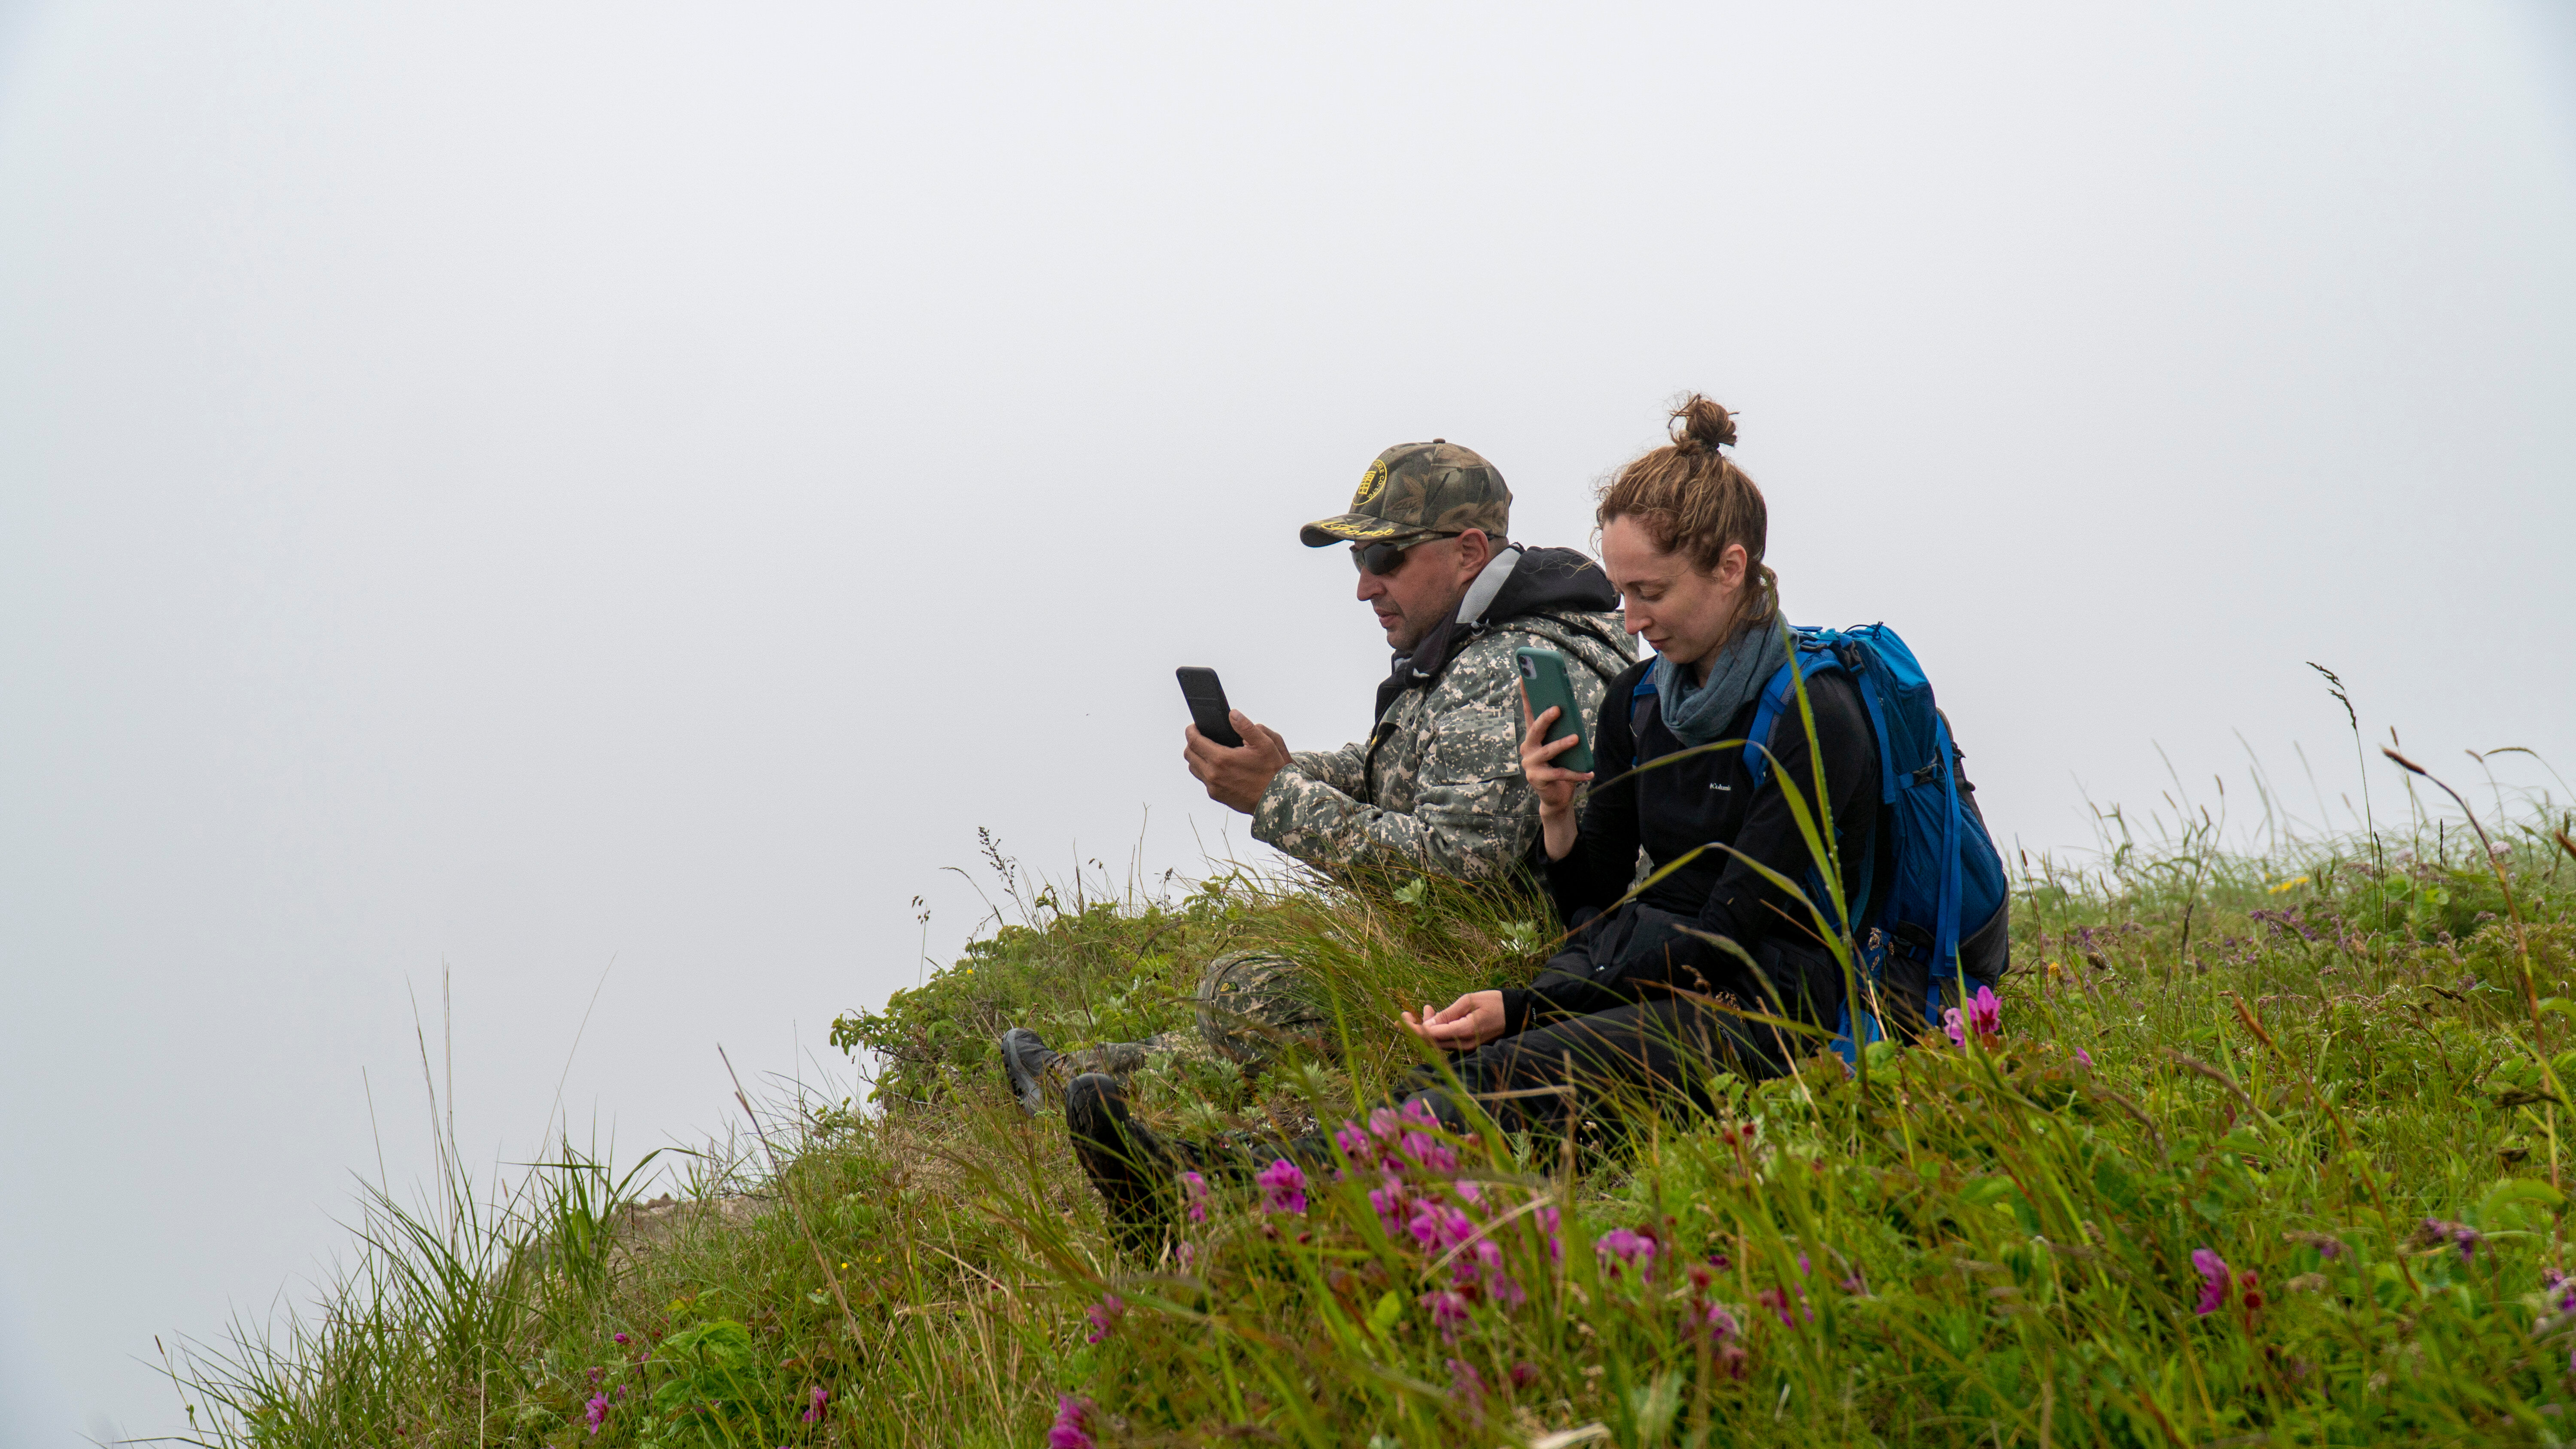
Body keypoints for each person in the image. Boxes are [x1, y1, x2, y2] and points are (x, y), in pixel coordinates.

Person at [1061, 395, 2006, 1243]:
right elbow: (1593, 901)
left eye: (1651, 592)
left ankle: (1218, 1198)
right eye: (1622, 588)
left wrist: (1532, 1003)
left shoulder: (1817, 715)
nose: (1630, 619)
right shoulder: (1645, 698)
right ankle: (1216, 1187)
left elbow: (1735, 936)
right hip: (1680, 983)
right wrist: (1559, 816)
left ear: (1732, 567)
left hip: (1794, 1008)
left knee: (1508, 1074)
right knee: (1473, 1070)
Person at [996, 439, 1632, 1115]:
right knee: (1254, 995)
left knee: (1244, 989)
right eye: (1360, 559)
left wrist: (1278, 798)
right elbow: (1406, 771)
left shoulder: (1500, 664)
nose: (1364, 585)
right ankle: (1081, 1082)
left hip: (1520, 978)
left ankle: (1123, 1097)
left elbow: (1457, 871)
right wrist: (1282, 764)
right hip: (1512, 963)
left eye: (1385, 557)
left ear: (1470, 552)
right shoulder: (1478, 641)